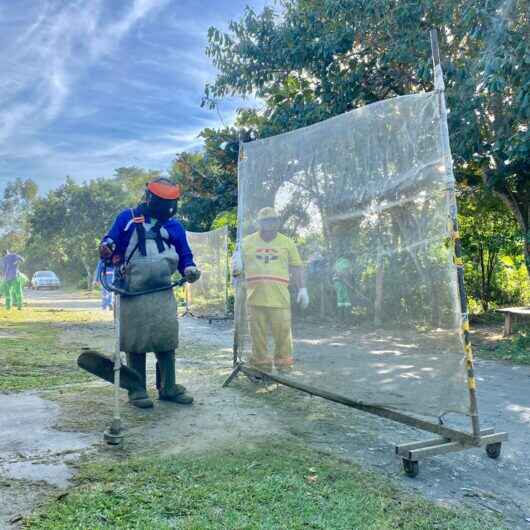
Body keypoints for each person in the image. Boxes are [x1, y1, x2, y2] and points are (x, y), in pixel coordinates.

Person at [99, 177, 201, 409]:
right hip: (132, 291)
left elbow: (185, 254)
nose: (168, 207)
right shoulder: (127, 218)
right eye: (163, 201)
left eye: (171, 202)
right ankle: (137, 389)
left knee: (166, 340)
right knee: (136, 342)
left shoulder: (175, 226)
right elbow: (111, 241)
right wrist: (106, 247)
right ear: (150, 198)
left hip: (163, 292)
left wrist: (190, 269)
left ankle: (169, 387)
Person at [232, 207, 309, 371]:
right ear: (259, 223)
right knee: (257, 336)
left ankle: (284, 367)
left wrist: (302, 289)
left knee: (283, 335)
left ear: (277, 222)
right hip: (254, 296)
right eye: (265, 221)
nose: (269, 224)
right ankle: (262, 369)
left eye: (272, 220)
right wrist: (236, 266)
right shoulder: (246, 242)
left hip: (279, 297)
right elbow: (237, 271)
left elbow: (296, 267)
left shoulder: (287, 242)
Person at [332, 254, 353, 324]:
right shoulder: (347, 262)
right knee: (346, 300)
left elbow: (335, 270)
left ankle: (340, 320)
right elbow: (344, 273)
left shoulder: (337, 262)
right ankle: (347, 320)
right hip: (341, 282)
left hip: (336, 282)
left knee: (340, 300)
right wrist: (349, 284)